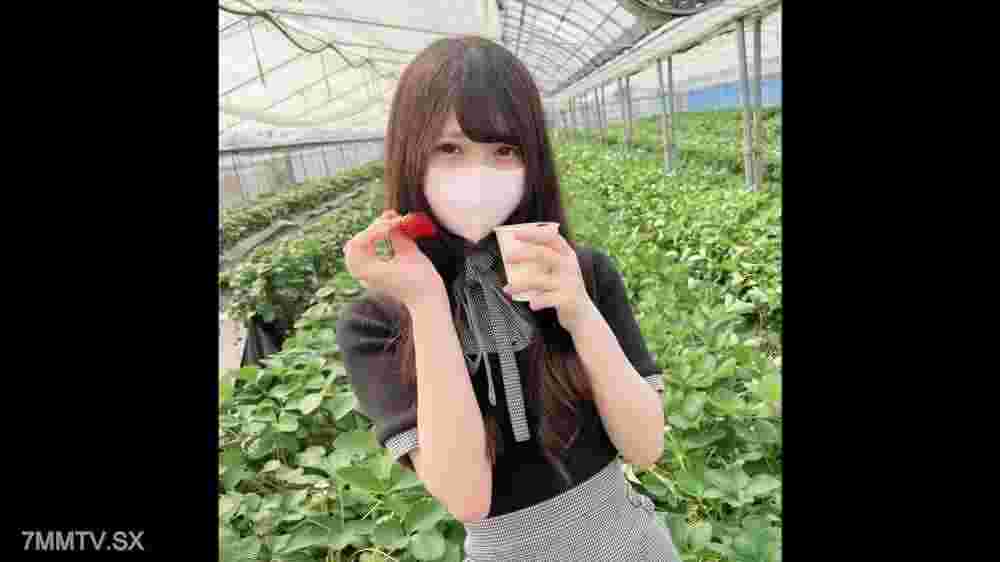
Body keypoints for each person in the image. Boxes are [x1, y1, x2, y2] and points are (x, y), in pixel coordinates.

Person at [336, 35, 680, 562]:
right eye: (450, 149)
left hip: (632, 545)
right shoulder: (376, 322)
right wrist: (426, 303)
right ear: (411, 154)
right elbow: (467, 497)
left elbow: (646, 447)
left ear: (532, 159)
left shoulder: (582, 273)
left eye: (504, 150)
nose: (478, 177)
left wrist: (580, 312)